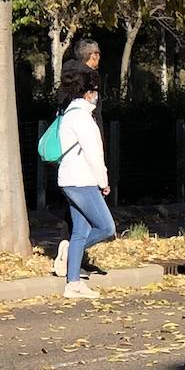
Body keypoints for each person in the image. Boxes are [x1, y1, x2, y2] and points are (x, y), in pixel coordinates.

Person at [52, 65, 114, 298]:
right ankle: (69, 253)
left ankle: (73, 284)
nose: (97, 97)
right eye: (95, 92)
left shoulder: (68, 114)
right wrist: (103, 181)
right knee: (106, 227)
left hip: (68, 179)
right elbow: (94, 153)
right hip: (83, 180)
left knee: (80, 230)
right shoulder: (84, 119)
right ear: (89, 93)